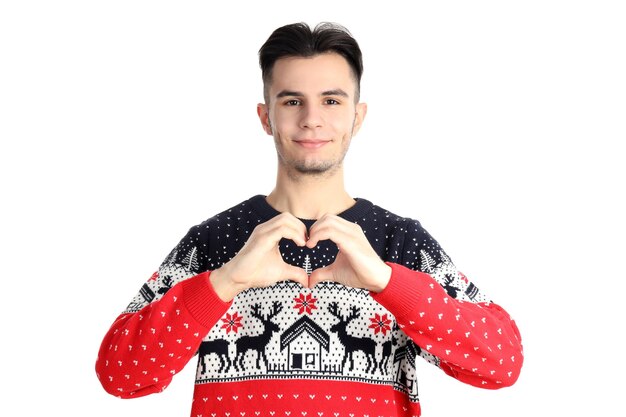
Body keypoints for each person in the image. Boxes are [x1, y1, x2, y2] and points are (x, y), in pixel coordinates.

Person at [95, 22, 523, 417]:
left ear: (357, 116)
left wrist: (388, 283)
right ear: (266, 117)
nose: (312, 119)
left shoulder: (400, 242)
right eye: (292, 101)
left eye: (332, 101)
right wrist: (223, 283)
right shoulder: (214, 242)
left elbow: (501, 364)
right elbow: (119, 376)